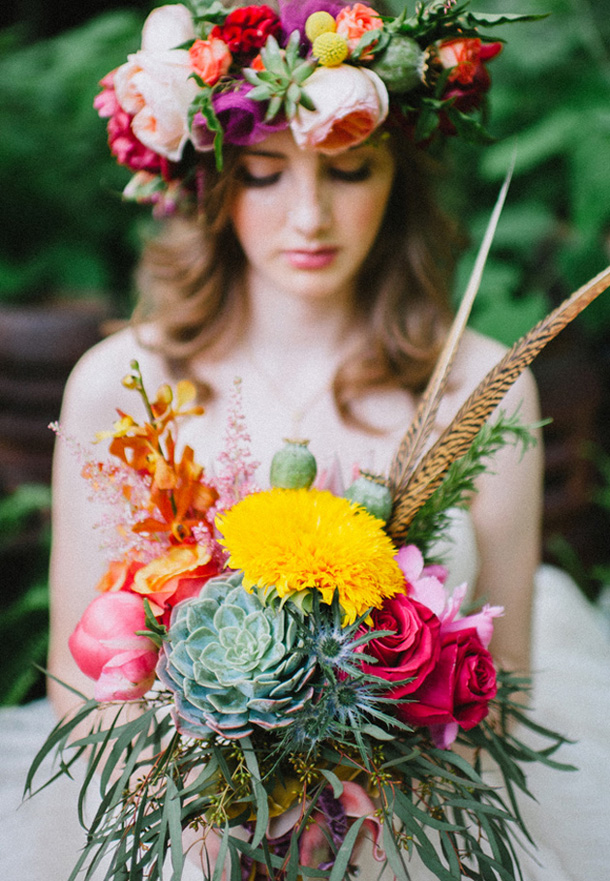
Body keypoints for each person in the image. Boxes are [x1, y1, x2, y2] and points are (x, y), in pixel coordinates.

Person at [1, 3, 609, 880]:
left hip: (415, 837)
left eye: (350, 168)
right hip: (175, 833)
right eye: (264, 174)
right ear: (212, 182)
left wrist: (365, 822)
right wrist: (213, 823)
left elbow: (502, 694)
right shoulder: (117, 384)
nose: (310, 215)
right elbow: (80, 684)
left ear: (398, 173)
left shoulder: (482, 383)